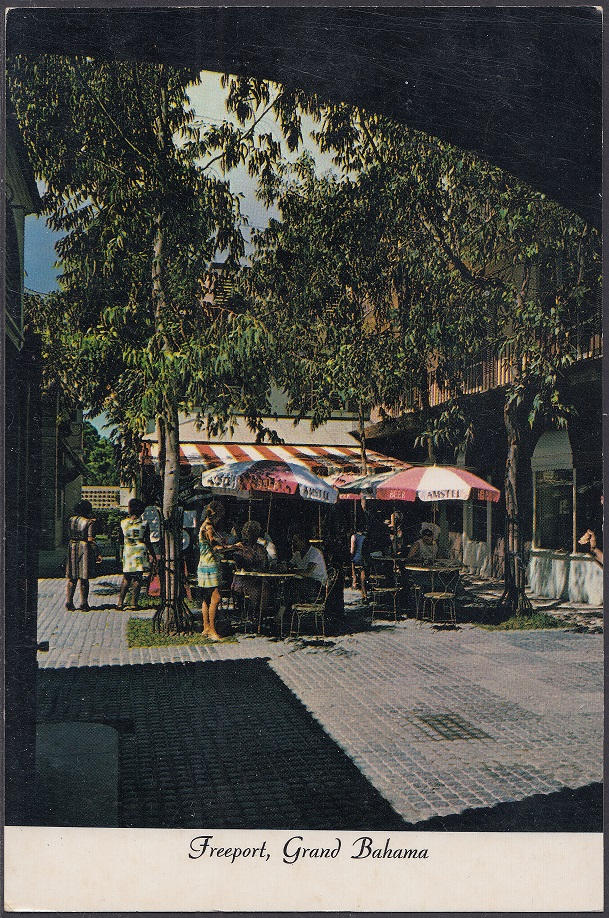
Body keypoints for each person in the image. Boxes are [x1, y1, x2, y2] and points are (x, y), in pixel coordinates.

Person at [197, 500, 228, 641]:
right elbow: (215, 547)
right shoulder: (209, 528)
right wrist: (234, 547)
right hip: (211, 565)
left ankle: (206, 627)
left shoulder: (204, 526)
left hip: (203, 564)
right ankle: (213, 631)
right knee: (216, 597)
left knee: (206, 598)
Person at [117, 499, 155, 610]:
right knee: (138, 578)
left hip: (128, 550)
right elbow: (147, 541)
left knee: (126, 578)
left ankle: (120, 602)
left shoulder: (123, 523)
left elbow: (120, 539)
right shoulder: (144, 524)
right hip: (140, 551)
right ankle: (134, 603)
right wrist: (152, 554)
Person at [66, 499, 100, 611]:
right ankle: (84, 603)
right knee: (84, 577)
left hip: (71, 546)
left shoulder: (71, 520)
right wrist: (97, 552)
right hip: (83, 547)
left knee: (72, 577)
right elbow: (90, 539)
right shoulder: (88, 522)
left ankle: (69, 601)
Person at [231, 519, 270, 615]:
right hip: (244, 579)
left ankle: (260, 616)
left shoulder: (260, 548)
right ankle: (252, 614)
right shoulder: (240, 547)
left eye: (255, 533)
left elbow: (266, 564)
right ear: (245, 534)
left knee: (265, 588)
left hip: (258, 579)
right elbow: (239, 564)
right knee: (255, 590)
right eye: (250, 533)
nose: (253, 536)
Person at [288, 532, 328, 603]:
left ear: (303, 541)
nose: (293, 545)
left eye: (295, 542)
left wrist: (293, 571)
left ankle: (290, 606)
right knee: (287, 583)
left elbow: (308, 572)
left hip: (318, 584)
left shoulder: (314, 552)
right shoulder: (297, 554)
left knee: (292, 584)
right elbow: (289, 565)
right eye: (292, 542)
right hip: (305, 581)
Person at [350, 527, 369, 601]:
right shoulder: (365, 537)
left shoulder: (354, 536)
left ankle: (354, 579)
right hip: (364, 559)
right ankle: (364, 594)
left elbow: (352, 551)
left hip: (357, 559)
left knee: (352, 561)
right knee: (363, 575)